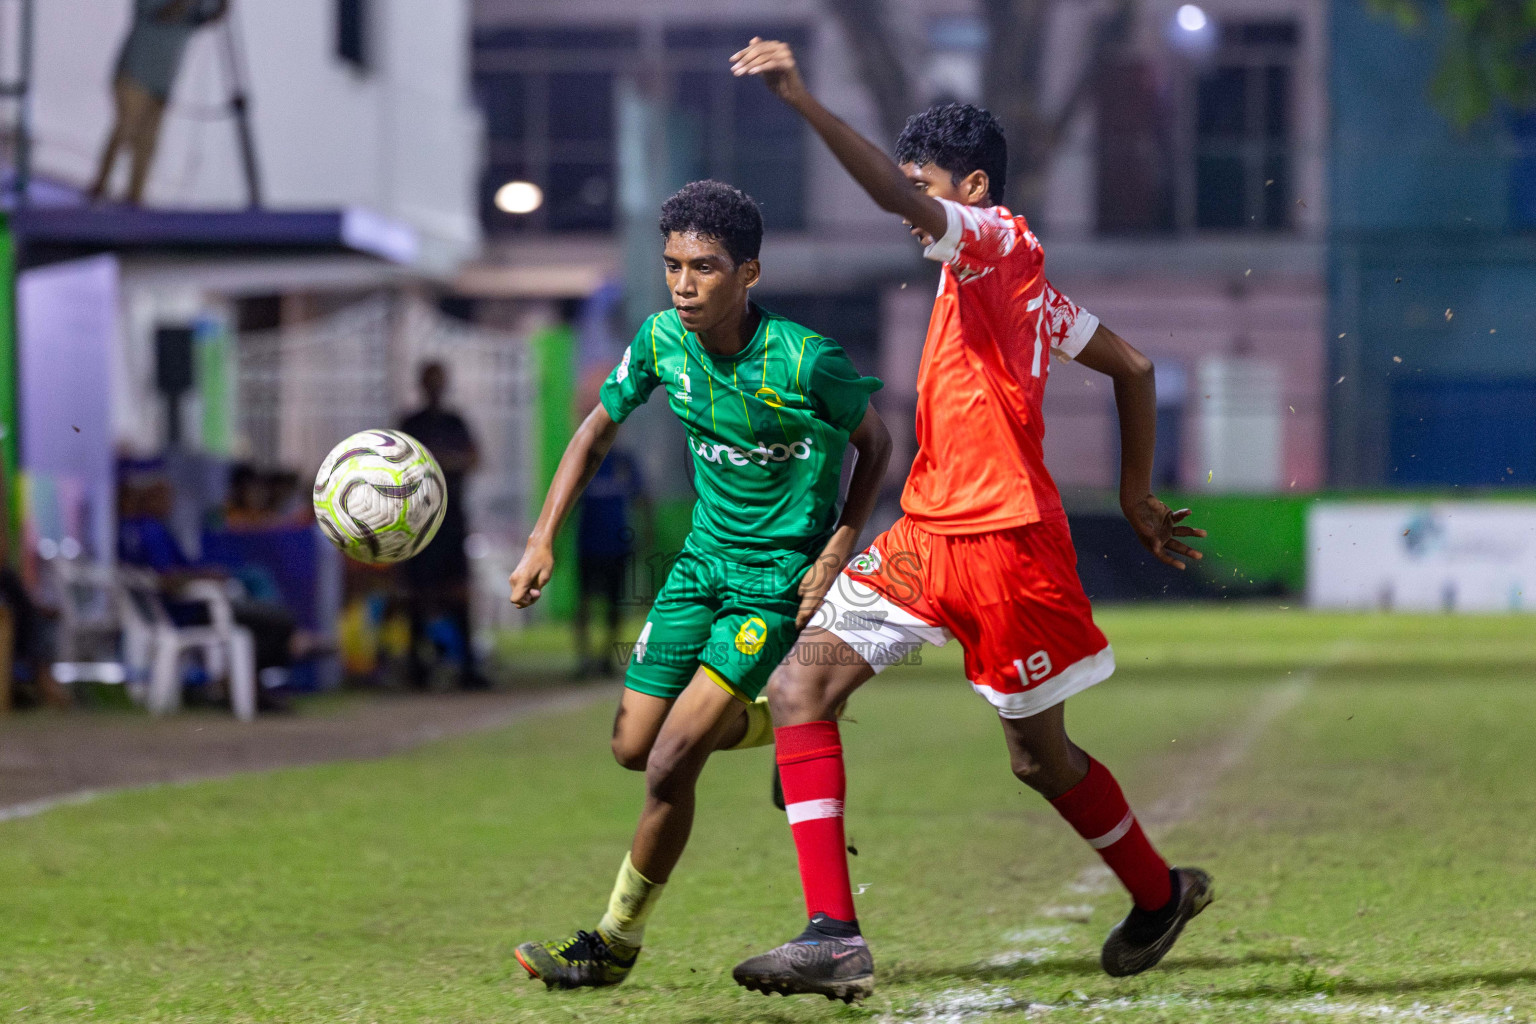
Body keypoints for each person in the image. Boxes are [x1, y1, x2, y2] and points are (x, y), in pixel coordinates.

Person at [726, 39, 1213, 1002]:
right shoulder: (1009, 286)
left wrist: (803, 101)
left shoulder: (996, 240)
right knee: (798, 692)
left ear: (973, 187)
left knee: (1039, 758)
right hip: (922, 543)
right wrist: (1133, 493)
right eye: (914, 186)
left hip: (1006, 551)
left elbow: (892, 203)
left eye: (927, 185)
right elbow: (1134, 367)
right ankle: (833, 935)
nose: (915, 205)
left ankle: (1159, 895)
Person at [507, 180, 890, 990]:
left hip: (770, 586)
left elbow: (878, 444)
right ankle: (785, 732)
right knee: (631, 747)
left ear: (749, 272)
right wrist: (543, 538)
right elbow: (595, 431)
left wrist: (838, 547)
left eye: (705, 268)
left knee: (671, 761)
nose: (684, 284)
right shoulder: (658, 341)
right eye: (674, 265)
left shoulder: (804, 358)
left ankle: (613, 943)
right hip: (696, 571)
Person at [89, 0, 228, 205]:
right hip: (134, 75)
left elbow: (209, 18)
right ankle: (98, 190)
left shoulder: (193, 10)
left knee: (147, 143)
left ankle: (135, 200)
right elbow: (164, 13)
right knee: (126, 130)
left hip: (162, 85)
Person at [398, 362, 485, 690]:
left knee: (459, 594)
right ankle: (416, 667)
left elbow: (474, 458)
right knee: (418, 595)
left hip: (452, 521)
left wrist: (436, 461)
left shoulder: (455, 422)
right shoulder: (411, 423)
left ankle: (467, 667)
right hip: (420, 522)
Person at [573, 448, 648, 678]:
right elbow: (566, 502)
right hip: (589, 545)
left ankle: (606, 658)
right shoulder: (581, 459)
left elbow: (641, 498)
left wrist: (647, 530)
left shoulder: (623, 461)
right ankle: (584, 659)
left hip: (617, 545)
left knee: (614, 605)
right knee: (584, 603)